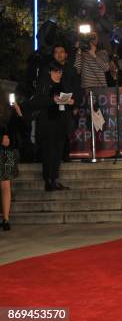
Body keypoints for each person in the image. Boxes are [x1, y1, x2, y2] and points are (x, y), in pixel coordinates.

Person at [17, 62, 75, 191]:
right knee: (49, 152)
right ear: (50, 72)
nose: (58, 74)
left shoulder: (63, 84)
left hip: (60, 122)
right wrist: (51, 100)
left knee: (58, 152)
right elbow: (36, 101)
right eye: (56, 72)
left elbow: (70, 98)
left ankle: (54, 179)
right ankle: (48, 180)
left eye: (60, 72)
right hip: (47, 123)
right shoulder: (44, 84)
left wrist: (70, 102)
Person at [0, 87, 19, 231]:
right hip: (8, 150)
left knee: (6, 186)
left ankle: (5, 219)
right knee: (6, 186)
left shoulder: (9, 110)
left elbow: (19, 129)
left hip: (6, 150)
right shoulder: (8, 110)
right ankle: (5, 219)